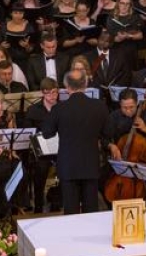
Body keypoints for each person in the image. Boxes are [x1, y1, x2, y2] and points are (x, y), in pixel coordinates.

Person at [42, 69, 109, 213]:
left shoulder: (59, 109)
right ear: (85, 84)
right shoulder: (99, 106)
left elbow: (47, 134)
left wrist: (51, 113)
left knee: (71, 212)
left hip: (68, 166)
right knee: (91, 211)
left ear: (67, 86)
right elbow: (108, 133)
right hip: (91, 165)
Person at [24, 77, 60, 212]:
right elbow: (29, 133)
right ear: (42, 93)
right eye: (48, 93)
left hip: (59, 149)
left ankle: (56, 200)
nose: (52, 96)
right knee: (40, 168)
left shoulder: (62, 108)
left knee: (67, 166)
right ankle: (38, 203)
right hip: (42, 151)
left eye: (54, 92)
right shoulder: (33, 110)